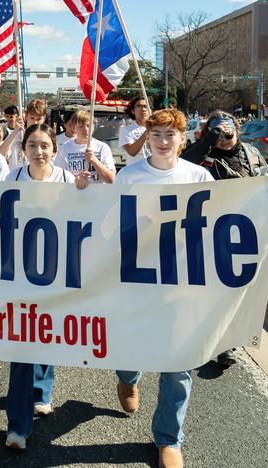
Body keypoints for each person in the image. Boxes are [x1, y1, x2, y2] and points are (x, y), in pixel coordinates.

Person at [114, 108, 213, 468]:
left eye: (170, 134)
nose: (162, 141)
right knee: (130, 345)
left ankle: (169, 438)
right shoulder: (129, 176)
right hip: (138, 280)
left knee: (180, 361)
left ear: (183, 140)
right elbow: (110, 221)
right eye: (156, 134)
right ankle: (127, 376)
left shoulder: (199, 175)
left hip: (183, 281)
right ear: (148, 138)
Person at [3, 124, 87, 450]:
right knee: (22, 347)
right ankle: (17, 426)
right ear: (23, 149)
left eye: (44, 146)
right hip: (20, 277)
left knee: (46, 337)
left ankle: (43, 390)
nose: (39, 152)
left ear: (55, 149)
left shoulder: (67, 180)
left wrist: (86, 191)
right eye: (32, 145)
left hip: (58, 276)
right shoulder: (11, 179)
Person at [180, 110, 267, 367]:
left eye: (227, 131)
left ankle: (228, 343)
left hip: (246, 230)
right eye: (217, 130)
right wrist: (208, 141)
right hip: (209, 231)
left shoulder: (251, 153)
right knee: (212, 291)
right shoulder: (203, 156)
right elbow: (183, 165)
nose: (224, 136)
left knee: (239, 289)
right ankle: (208, 338)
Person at [54, 110, 116, 184]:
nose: (86, 129)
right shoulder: (65, 148)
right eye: (81, 126)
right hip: (73, 193)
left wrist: (94, 161)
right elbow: (58, 177)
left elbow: (111, 180)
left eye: (88, 125)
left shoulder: (102, 147)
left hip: (98, 194)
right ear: (74, 128)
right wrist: (76, 179)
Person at [119, 96, 151, 166]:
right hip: (136, 172)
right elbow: (132, 151)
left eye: (145, 106)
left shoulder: (157, 129)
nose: (143, 109)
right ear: (133, 111)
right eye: (139, 106)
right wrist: (147, 132)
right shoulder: (126, 129)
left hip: (153, 171)